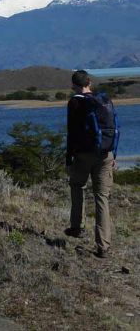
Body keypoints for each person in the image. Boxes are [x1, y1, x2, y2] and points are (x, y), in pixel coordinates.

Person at [65, 70, 116, 258]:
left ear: (73, 85)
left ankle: (77, 227)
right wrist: (113, 155)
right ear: (89, 82)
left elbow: (71, 133)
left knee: (77, 186)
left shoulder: (75, 102)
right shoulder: (104, 100)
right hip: (105, 154)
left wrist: (68, 159)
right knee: (102, 198)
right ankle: (103, 246)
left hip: (83, 155)